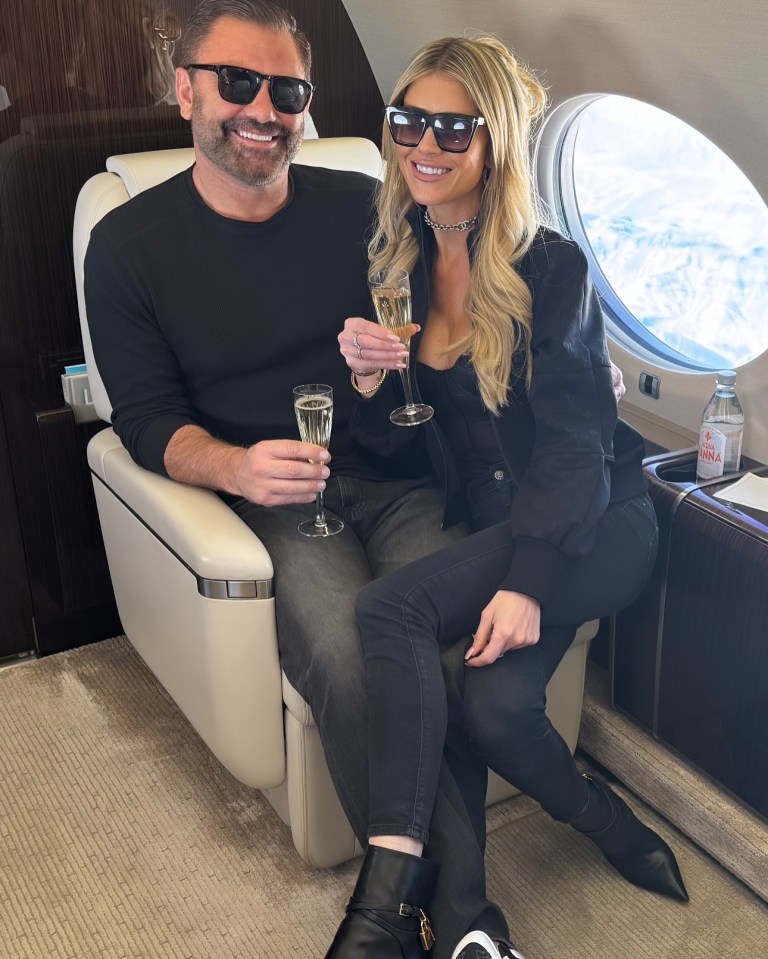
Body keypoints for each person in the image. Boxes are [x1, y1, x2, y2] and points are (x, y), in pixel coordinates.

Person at [84, 2, 520, 956]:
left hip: (394, 473)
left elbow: (431, 335)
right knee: (359, 662)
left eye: (288, 91)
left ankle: (411, 905)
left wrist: (396, 366)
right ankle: (464, 924)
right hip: (276, 502)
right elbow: (147, 421)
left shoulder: (359, 202)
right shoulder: (125, 245)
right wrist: (239, 465)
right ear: (185, 86)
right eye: (238, 83)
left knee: (453, 650)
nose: (263, 110)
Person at [328, 35, 688, 959]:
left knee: (391, 607)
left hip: (598, 522)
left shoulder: (551, 266)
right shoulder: (399, 261)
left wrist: (525, 582)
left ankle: (384, 900)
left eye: (455, 125)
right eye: (409, 119)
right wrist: (369, 389)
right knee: (482, 706)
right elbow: (397, 445)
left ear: (496, 143)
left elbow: (576, 444)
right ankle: (602, 837)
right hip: (501, 522)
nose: (426, 143)